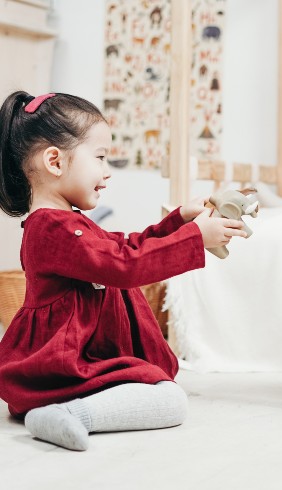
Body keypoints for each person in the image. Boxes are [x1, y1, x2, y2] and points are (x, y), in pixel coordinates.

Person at [0, 91, 247, 450]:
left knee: (161, 391)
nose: (106, 172)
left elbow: (125, 247)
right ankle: (69, 414)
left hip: (84, 356)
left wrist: (178, 223)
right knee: (171, 402)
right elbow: (124, 266)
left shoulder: (69, 223)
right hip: (64, 362)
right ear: (55, 161)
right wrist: (194, 239)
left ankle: (65, 410)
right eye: (100, 158)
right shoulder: (51, 228)